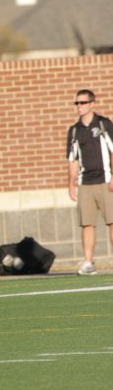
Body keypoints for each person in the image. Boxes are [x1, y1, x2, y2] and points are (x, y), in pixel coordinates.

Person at [67, 89, 113, 275]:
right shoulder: (75, 130)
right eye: (77, 103)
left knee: (112, 222)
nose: (79, 106)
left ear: (92, 104)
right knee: (87, 223)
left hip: (105, 180)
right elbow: (72, 158)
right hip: (85, 183)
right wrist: (71, 183)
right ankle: (88, 262)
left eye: (83, 103)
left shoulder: (103, 124)